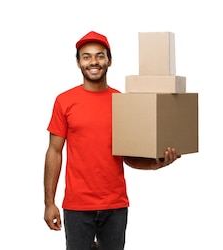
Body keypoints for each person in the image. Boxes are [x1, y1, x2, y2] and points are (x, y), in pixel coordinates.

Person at [43, 31, 181, 250]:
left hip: (115, 205)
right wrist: (49, 203)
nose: (94, 62)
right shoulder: (64, 101)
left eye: (100, 55)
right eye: (86, 57)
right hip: (78, 206)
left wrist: (156, 163)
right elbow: (54, 152)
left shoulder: (123, 102)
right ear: (78, 63)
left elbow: (128, 156)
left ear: (109, 60)